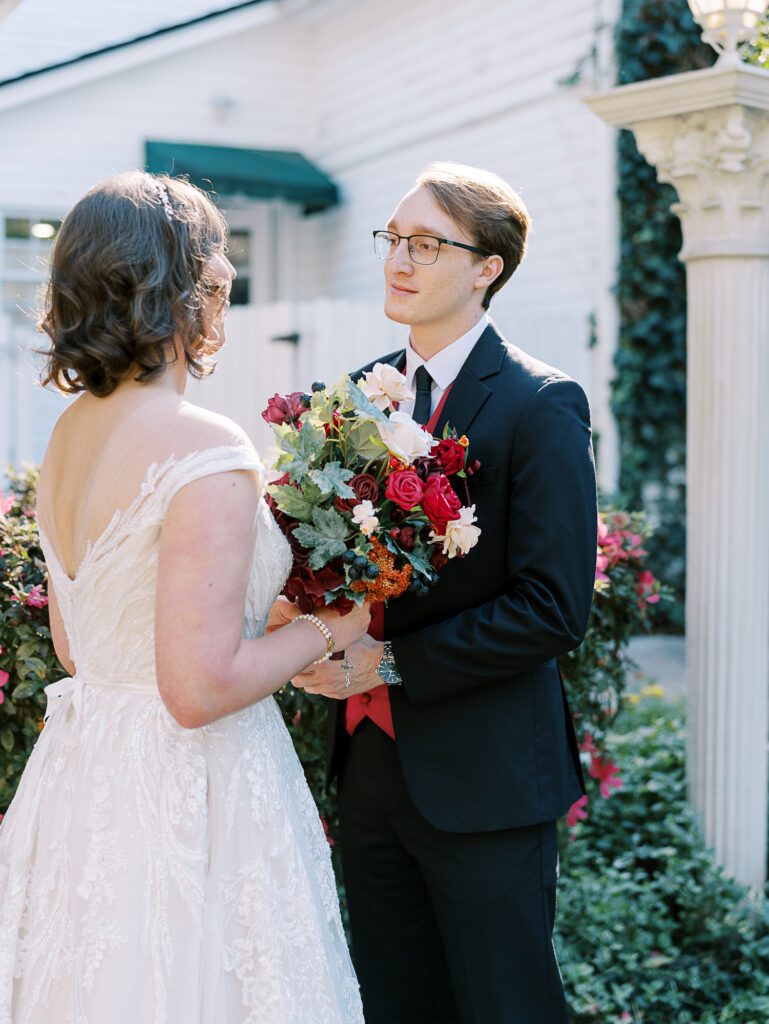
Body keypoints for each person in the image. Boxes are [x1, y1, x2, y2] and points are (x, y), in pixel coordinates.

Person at [0, 171, 369, 1023]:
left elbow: (76, 646)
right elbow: (197, 691)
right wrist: (329, 623)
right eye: (217, 271)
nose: (225, 292)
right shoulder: (204, 446)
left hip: (85, 776)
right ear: (179, 287)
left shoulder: (68, 436)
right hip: (188, 790)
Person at [291, 162, 598, 1023]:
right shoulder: (355, 395)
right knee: (393, 1004)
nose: (399, 259)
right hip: (369, 768)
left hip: (483, 774)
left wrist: (386, 664)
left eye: (426, 244)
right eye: (392, 239)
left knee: (506, 1006)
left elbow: (553, 605)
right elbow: (331, 566)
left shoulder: (539, 406)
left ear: (486, 266)